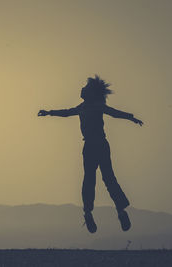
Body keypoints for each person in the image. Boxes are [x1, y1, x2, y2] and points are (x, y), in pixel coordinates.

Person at [38, 75, 143, 233]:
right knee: (89, 179)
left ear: (91, 92)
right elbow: (67, 112)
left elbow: (113, 113)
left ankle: (121, 212)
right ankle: (88, 213)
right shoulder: (82, 107)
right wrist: (49, 112)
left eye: (85, 88)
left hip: (100, 145)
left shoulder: (97, 106)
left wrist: (131, 117)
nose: (82, 89)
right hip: (89, 147)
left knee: (108, 178)